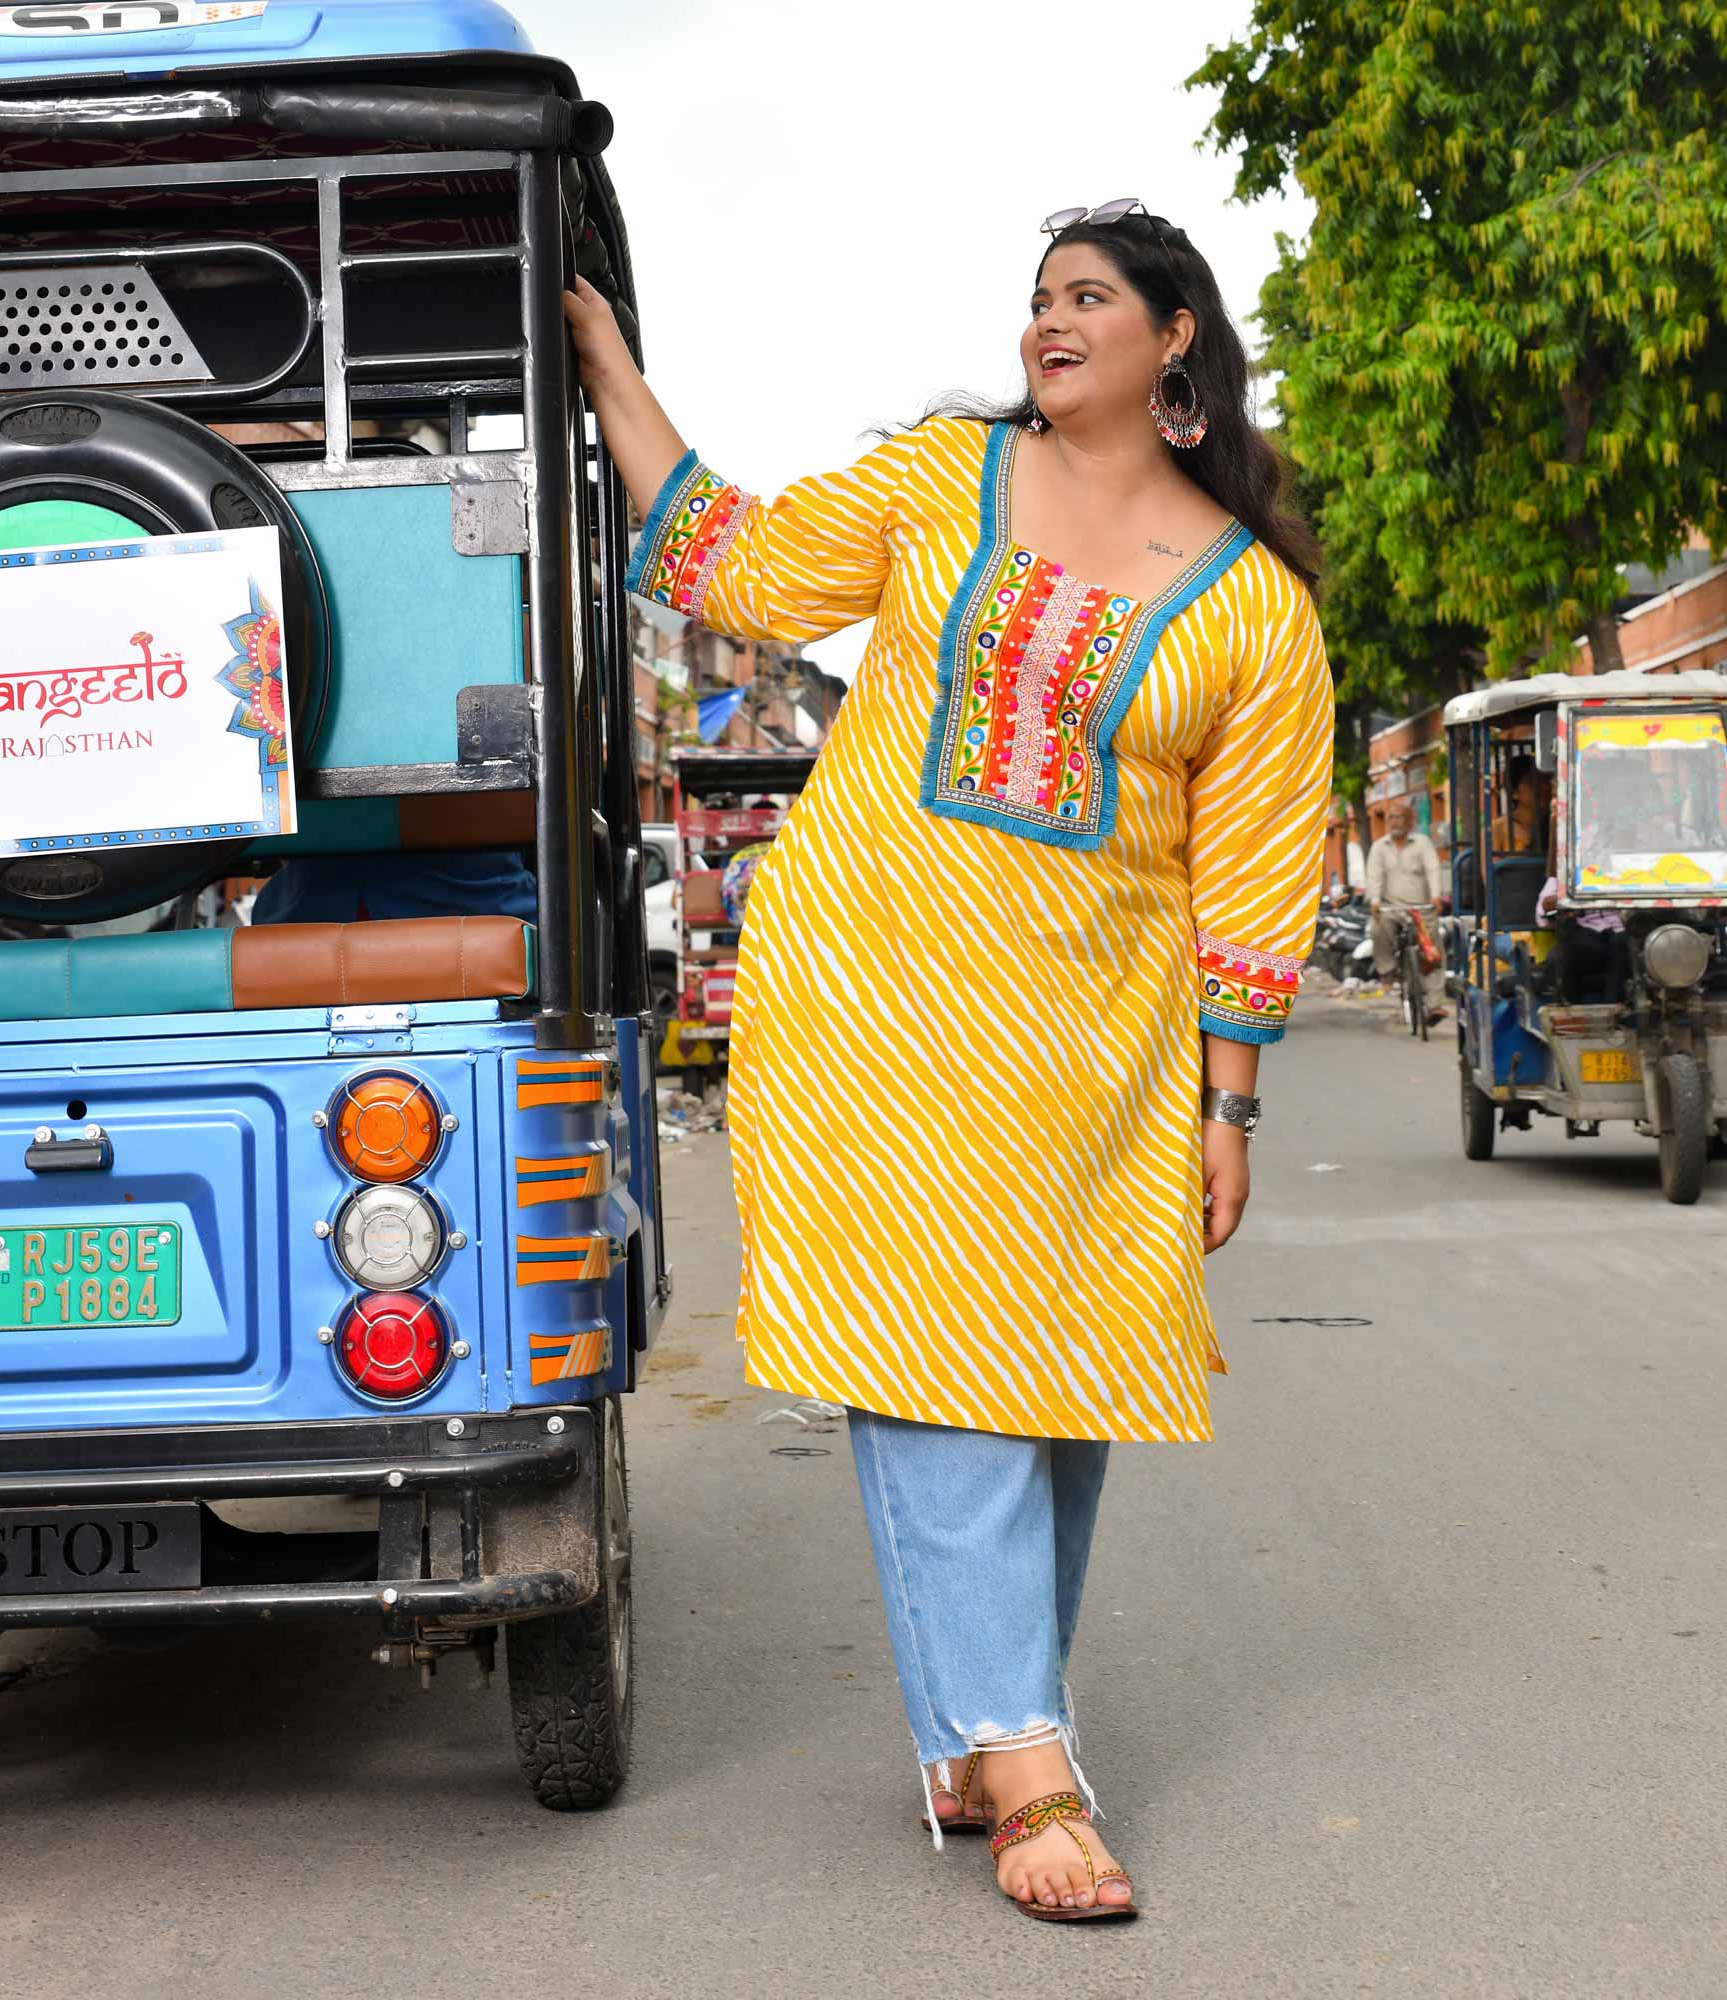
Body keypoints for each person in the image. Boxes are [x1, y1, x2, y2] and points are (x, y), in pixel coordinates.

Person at [568, 198, 1332, 1926]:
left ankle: (976, 1729)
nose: (1047, 324)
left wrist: (1231, 1100)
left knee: (1064, 1386)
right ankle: (1026, 1762)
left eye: (1086, 298)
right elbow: (738, 566)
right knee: (945, 1360)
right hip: (881, 998)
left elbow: (1262, 861)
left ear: (1176, 340)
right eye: (1036, 299)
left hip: (1100, 1045)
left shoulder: (1254, 610)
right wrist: (615, 367)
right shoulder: (936, 480)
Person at [1365, 801, 1442, 986]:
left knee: (1434, 950)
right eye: (1391, 817)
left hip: (1421, 908)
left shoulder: (1422, 843)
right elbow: (1374, 876)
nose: (1395, 821)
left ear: (1409, 821)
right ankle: (1388, 970)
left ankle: (1434, 1004)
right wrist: (1375, 900)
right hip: (1390, 908)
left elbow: (1433, 869)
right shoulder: (1379, 847)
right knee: (1376, 928)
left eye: (1399, 817)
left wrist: (1436, 895)